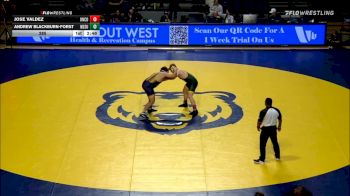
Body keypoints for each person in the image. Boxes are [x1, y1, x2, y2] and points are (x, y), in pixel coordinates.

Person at [254, 98, 282, 164]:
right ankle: (277, 156)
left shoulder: (263, 111)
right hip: (273, 129)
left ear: (265, 103)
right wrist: (279, 126)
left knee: (262, 144)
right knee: (275, 143)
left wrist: (258, 126)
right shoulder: (277, 110)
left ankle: (262, 160)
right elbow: (280, 119)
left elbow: (259, 121)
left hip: (265, 130)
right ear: (271, 103)